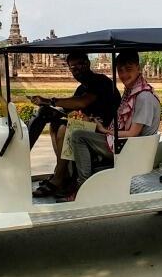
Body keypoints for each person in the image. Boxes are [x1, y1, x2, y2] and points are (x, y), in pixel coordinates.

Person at [68, 50, 160, 198]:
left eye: (128, 70)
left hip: (131, 149)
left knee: (78, 136)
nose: (124, 75)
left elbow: (133, 133)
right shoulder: (133, 91)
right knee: (80, 129)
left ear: (139, 68)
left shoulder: (143, 96)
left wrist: (104, 130)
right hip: (128, 144)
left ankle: (84, 186)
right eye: (120, 71)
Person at [27, 51, 121, 197]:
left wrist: (49, 100)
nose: (78, 70)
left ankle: (59, 178)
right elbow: (70, 106)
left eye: (81, 65)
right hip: (90, 126)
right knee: (55, 124)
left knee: (65, 128)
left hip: (105, 129)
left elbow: (82, 101)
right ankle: (61, 172)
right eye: (73, 68)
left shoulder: (101, 81)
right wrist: (51, 110)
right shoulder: (82, 87)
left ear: (88, 64)